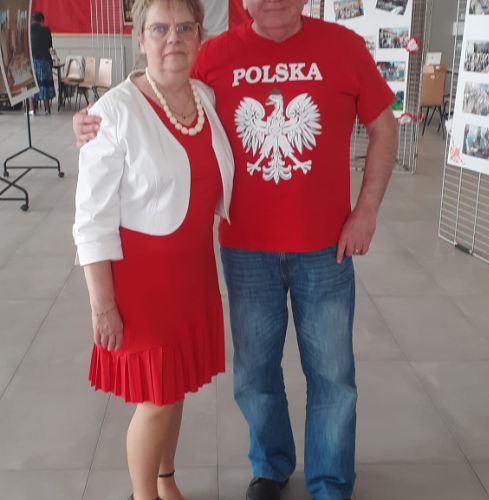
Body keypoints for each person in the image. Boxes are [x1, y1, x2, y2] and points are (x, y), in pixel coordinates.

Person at [73, 1, 397, 498]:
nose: (273, 1)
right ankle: (270, 467)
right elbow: (157, 83)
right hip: (246, 252)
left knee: (333, 375)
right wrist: (91, 121)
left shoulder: (344, 47)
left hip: (325, 250)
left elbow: (383, 126)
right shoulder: (212, 55)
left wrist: (367, 210)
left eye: (183, 28)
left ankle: (330, 482)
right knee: (255, 374)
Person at [72, 1, 234, 499]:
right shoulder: (113, 112)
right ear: (139, 38)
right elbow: (91, 219)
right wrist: (102, 305)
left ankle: (165, 480)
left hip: (193, 273)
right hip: (144, 284)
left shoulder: (204, 97)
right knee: (157, 401)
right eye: (159, 29)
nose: (173, 39)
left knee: (175, 385)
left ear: (200, 34)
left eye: (184, 27)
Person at [30, 12, 55, 115]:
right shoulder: (46, 30)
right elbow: (50, 45)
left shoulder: (28, 30)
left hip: (33, 61)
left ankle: (32, 109)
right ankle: (47, 109)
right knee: (45, 85)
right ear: (41, 20)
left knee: (31, 85)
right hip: (45, 61)